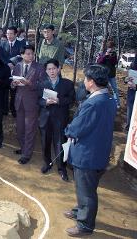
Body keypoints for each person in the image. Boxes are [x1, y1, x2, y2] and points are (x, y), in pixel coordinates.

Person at [63, 64, 117, 237]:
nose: (83, 81)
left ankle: (85, 225)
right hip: (99, 151)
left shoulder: (93, 103)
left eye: (85, 78)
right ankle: (80, 211)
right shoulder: (109, 99)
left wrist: (68, 129)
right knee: (86, 187)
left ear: (91, 82)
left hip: (88, 154)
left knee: (87, 191)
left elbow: (76, 129)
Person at [38, 59, 75, 181]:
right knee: (45, 142)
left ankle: (61, 168)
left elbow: (71, 99)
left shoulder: (67, 84)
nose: (52, 71)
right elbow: (38, 100)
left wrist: (59, 101)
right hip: (45, 118)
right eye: (49, 69)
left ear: (59, 69)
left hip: (60, 118)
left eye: (54, 68)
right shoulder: (42, 83)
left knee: (59, 143)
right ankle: (47, 163)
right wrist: (45, 102)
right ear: (46, 71)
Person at [11, 45, 44, 164]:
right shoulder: (18, 66)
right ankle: (24, 148)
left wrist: (29, 83)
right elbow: (12, 84)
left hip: (31, 103)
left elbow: (41, 86)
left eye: (32, 53)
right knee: (20, 129)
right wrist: (14, 84)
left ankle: (27, 154)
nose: (31, 56)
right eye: (28, 53)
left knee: (30, 129)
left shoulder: (39, 67)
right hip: (19, 102)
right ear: (22, 55)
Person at [1, 26, 27, 117]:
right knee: (4, 90)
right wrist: (7, 64)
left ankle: (14, 110)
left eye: (11, 34)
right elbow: (0, 56)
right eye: (7, 34)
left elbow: (22, 56)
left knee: (14, 91)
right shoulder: (3, 43)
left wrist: (13, 62)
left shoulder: (21, 43)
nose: (9, 36)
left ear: (16, 34)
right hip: (5, 70)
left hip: (17, 70)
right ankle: (4, 110)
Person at [96, 40, 120, 108]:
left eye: (112, 48)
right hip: (104, 74)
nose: (111, 49)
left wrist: (112, 57)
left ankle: (117, 103)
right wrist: (105, 55)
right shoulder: (102, 52)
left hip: (112, 74)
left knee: (114, 89)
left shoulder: (114, 53)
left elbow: (115, 63)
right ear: (108, 47)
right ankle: (104, 103)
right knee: (103, 89)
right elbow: (99, 62)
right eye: (111, 47)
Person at [125, 50, 137, 131]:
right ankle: (129, 126)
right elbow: (130, 74)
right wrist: (126, 79)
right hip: (131, 89)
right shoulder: (133, 63)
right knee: (130, 106)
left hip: (133, 88)